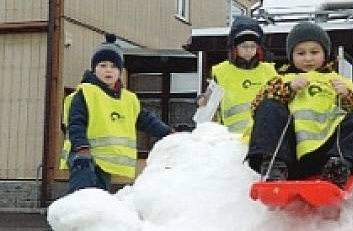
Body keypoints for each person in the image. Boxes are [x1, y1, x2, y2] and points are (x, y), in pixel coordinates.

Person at [245, 22, 353, 186]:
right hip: (289, 154)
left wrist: (347, 97)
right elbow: (257, 107)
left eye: (314, 52)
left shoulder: (339, 81)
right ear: (291, 55)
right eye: (301, 53)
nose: (308, 58)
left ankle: (339, 166)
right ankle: (274, 167)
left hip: (327, 154)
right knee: (269, 105)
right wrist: (288, 89)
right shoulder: (281, 80)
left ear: (325, 53)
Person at [60, 34, 173, 193]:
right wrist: (81, 148)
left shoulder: (128, 98)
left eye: (113, 66)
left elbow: (145, 120)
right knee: (83, 197)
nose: (108, 70)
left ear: (120, 71)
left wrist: (168, 132)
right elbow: (76, 123)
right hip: (83, 156)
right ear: (94, 69)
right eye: (103, 65)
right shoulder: (86, 93)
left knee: (100, 199)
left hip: (104, 162)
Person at [197, 16, 277, 134]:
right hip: (230, 140)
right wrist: (202, 100)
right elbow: (208, 102)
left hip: (261, 139)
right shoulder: (221, 72)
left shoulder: (269, 71)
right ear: (235, 47)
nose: (249, 50)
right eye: (244, 46)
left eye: (253, 46)